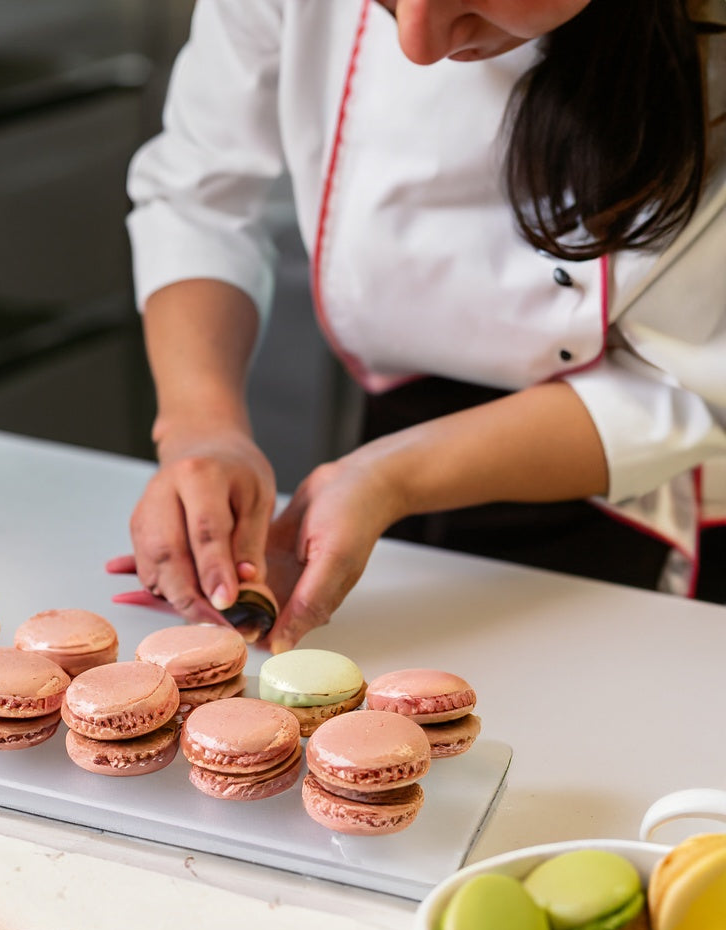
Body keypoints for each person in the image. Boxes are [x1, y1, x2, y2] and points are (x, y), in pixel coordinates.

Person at [110, 0, 726, 653]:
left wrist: (389, 479)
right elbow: (201, 194)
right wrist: (201, 428)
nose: (419, 46)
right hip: (384, 454)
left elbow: (696, 381)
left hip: (637, 489)